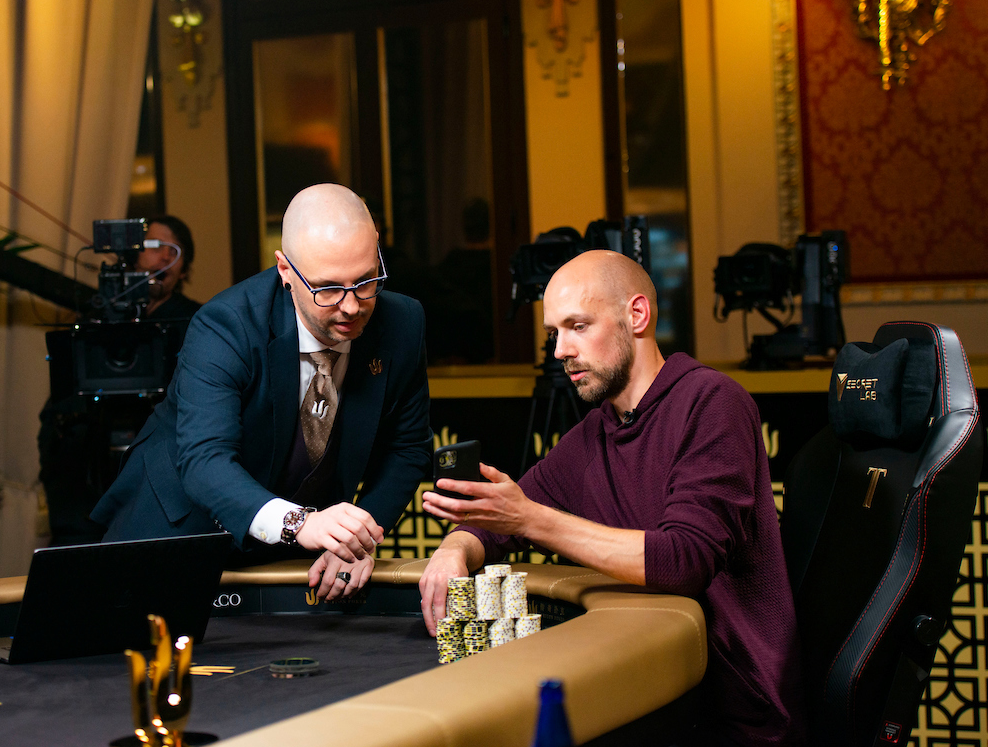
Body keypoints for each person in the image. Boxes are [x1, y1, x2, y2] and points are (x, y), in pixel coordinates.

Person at [418, 250, 805, 746]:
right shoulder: (595, 433)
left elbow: (686, 559)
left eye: (578, 326)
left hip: (735, 715)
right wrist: (454, 549)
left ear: (637, 315)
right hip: (654, 690)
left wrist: (532, 520)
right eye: (554, 333)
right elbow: (499, 521)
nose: (561, 350)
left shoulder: (713, 403)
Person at [93, 184, 431, 601]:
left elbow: (407, 449)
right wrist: (299, 523)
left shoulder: (403, 322)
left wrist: (355, 540)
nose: (350, 305)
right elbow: (205, 459)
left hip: (296, 554)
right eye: (327, 288)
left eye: (365, 281)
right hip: (178, 530)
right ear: (285, 269)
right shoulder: (225, 325)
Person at [39, 215, 205, 547]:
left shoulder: (198, 322)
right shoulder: (96, 323)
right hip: (89, 485)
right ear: (132, 257)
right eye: (153, 246)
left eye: (172, 250)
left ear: (184, 269)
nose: (162, 258)